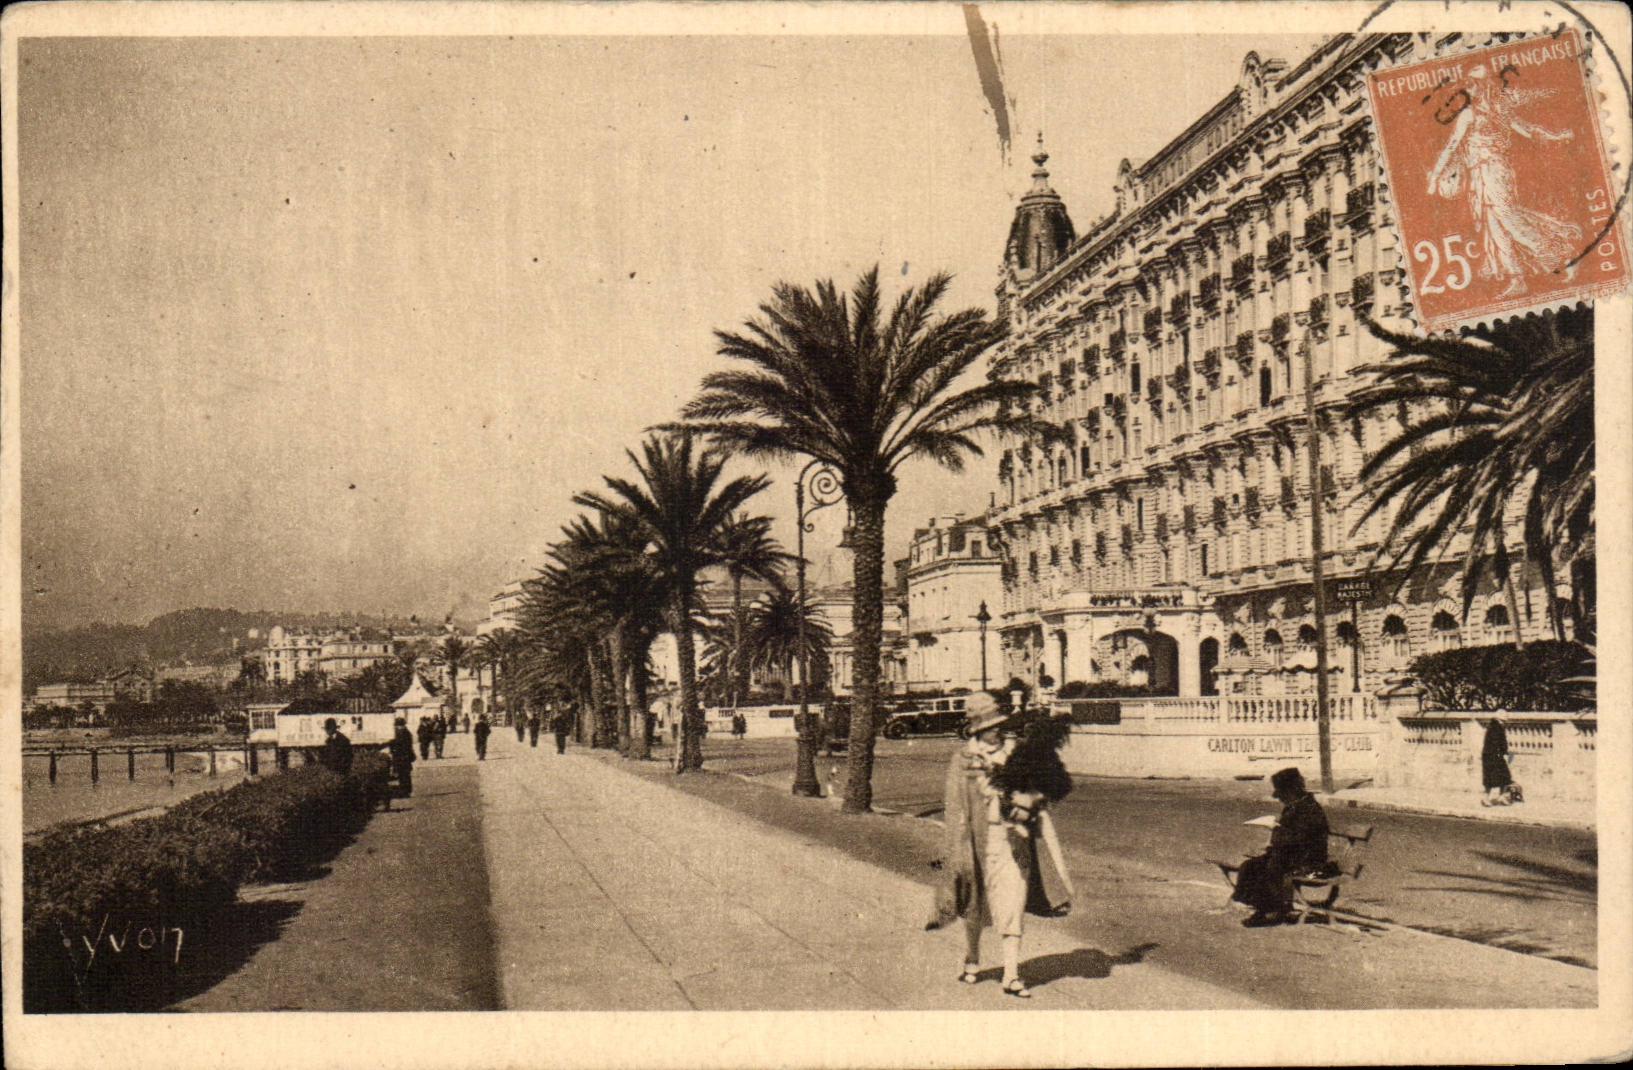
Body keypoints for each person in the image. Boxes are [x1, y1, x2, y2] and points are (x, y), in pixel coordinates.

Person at [926, 692, 1073, 998]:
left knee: (1013, 904)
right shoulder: (963, 759)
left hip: (1013, 840)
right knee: (974, 906)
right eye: (991, 726)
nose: (997, 730)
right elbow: (955, 808)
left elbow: (1041, 790)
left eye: (999, 724)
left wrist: (1028, 803)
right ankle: (973, 957)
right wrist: (957, 849)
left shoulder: (1016, 752)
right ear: (978, 730)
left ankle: (1011, 974)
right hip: (978, 843)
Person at [1427, 63, 1581, 298]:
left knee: (1507, 217)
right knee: (1494, 227)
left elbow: (1528, 130)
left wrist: (1556, 137)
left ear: (1485, 86)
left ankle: (1556, 253)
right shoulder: (1470, 113)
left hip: (1496, 170)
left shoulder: (1497, 110)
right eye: (1470, 86)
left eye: (1475, 85)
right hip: (1478, 174)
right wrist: (1436, 175)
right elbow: (1451, 146)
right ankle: (1516, 278)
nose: (1472, 90)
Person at [1231, 767, 1335, 927]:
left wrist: (1277, 831)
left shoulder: (1310, 810)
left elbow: (1300, 840)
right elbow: (1287, 838)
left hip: (1309, 860)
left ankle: (1271, 911)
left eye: (1283, 794)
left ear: (1292, 791)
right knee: (1250, 866)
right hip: (1292, 855)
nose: (1280, 799)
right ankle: (1263, 908)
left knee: (1272, 867)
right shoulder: (1295, 806)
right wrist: (1278, 834)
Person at [1482, 716, 1515, 805]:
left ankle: (1487, 797)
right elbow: (1501, 744)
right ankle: (1501, 796)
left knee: (1490, 779)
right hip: (1496, 756)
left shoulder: (1490, 727)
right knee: (1505, 776)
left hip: (1488, 756)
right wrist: (1505, 753)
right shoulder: (1498, 729)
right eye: (1504, 721)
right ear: (1500, 720)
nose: (1504, 723)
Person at [388, 716, 416, 796]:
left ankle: (405, 791)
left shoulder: (400, 734)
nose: (398, 727)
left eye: (399, 725)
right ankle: (405, 790)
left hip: (401, 757)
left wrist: (392, 749)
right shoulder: (406, 733)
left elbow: (397, 745)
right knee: (403, 774)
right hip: (403, 757)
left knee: (404, 775)